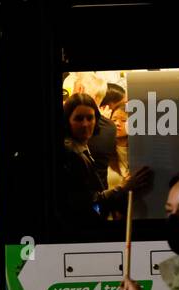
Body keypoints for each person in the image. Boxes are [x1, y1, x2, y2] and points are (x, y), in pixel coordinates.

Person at [56, 92, 151, 227]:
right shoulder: (72, 153)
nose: (85, 124)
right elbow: (88, 203)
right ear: (67, 121)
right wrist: (124, 188)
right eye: (78, 118)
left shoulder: (81, 147)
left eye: (90, 118)